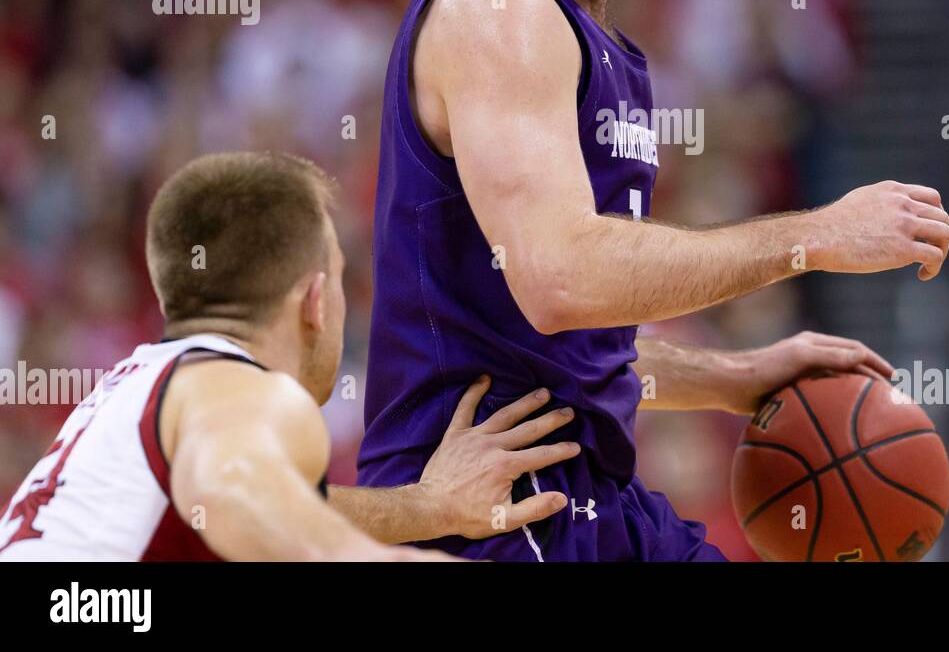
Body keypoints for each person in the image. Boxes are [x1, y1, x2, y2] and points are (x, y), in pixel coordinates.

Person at [359, 0, 949, 561]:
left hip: (587, 499)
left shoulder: (595, 41)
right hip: (489, 515)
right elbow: (562, 278)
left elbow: (568, 349)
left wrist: (732, 378)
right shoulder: (499, 10)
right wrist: (815, 236)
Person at [0, 152, 577, 561]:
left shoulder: (136, 393)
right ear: (315, 301)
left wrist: (430, 507)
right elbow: (236, 495)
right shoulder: (236, 388)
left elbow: (263, 497)